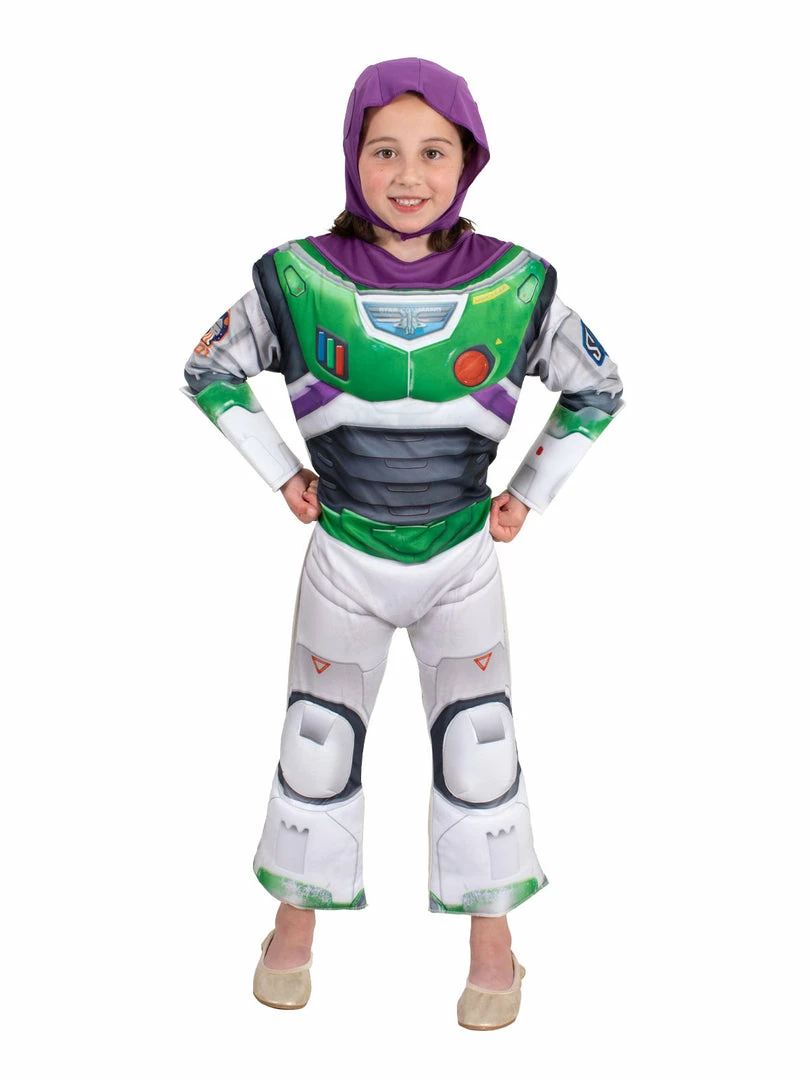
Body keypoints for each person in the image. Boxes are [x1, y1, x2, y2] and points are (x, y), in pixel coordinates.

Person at [183, 57, 623, 1030]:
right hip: (344, 556)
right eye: (385, 150)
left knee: (480, 745)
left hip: (461, 558)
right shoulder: (295, 279)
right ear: (353, 156)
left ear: (469, 161)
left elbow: (598, 386)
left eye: (434, 151)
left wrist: (529, 491)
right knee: (317, 740)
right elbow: (209, 367)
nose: (409, 174)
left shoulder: (519, 285)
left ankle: (492, 944)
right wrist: (281, 473)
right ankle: (293, 929)